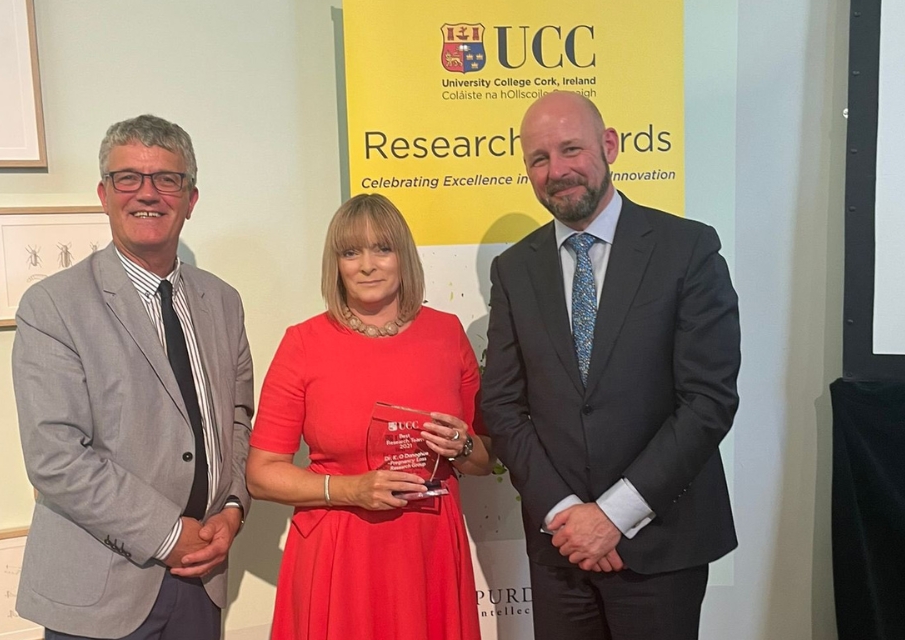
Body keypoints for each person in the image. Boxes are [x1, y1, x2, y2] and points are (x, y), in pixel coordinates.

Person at [481, 91, 740, 639]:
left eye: (571, 149)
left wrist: (613, 516)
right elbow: (501, 406)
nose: (557, 170)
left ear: (610, 146)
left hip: (661, 544)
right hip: (562, 549)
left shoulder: (687, 249)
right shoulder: (513, 270)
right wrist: (567, 516)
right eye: (539, 158)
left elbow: (708, 401)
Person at [12, 114, 255, 640]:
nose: (148, 193)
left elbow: (238, 422)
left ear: (190, 199)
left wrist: (233, 508)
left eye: (167, 179)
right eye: (129, 178)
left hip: (202, 579)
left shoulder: (224, 301)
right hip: (100, 587)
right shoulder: (53, 306)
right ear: (104, 193)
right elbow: (55, 456)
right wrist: (168, 535)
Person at [247, 193, 492, 640]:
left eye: (382, 248)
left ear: (403, 256)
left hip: (428, 548)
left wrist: (464, 446)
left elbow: (484, 459)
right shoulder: (304, 343)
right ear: (336, 264)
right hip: (341, 554)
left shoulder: (446, 333)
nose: (367, 265)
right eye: (350, 252)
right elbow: (262, 475)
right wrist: (351, 489)